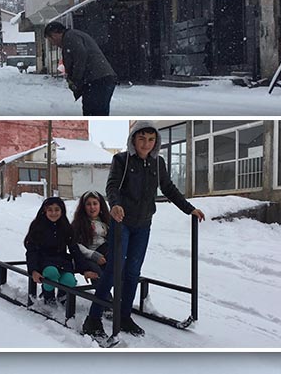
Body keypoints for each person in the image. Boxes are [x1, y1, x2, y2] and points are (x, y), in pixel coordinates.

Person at [82, 121, 205, 339]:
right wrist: (115, 205)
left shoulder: (158, 163)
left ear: (156, 141)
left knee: (132, 272)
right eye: (142, 138)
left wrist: (190, 209)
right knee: (113, 271)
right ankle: (93, 319)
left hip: (143, 224)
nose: (146, 144)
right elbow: (112, 186)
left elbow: (168, 188)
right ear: (133, 139)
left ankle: (125, 315)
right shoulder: (121, 159)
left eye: (151, 139)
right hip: (122, 223)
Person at [24, 197, 99, 305]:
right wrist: (34, 270)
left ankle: (62, 297)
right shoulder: (38, 227)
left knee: (69, 280)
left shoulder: (66, 227)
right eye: (50, 210)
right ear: (44, 211)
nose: (53, 213)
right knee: (51, 273)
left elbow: (74, 250)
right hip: (44, 261)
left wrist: (85, 270)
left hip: (62, 261)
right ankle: (48, 297)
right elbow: (31, 251)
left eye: (57, 210)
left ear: (62, 211)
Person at [44, 21, 117, 116]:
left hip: (97, 80)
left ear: (54, 34)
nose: (53, 43)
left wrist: (76, 79)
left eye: (51, 39)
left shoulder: (70, 37)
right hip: (98, 80)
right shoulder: (72, 36)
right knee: (96, 112)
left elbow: (80, 56)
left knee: (94, 112)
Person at [70, 190, 111, 278]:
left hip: (105, 254)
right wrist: (93, 255)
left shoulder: (106, 222)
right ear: (84, 207)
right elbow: (75, 245)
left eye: (95, 203)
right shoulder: (78, 223)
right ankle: (103, 291)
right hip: (87, 257)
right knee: (96, 271)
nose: (92, 207)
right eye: (88, 204)